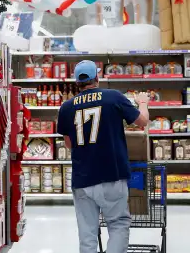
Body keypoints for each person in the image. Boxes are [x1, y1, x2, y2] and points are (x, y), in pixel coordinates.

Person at [56, 60, 150, 253]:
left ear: (77, 83)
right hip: (111, 175)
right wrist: (143, 102)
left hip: (82, 179)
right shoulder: (113, 97)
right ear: (97, 78)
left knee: (87, 233)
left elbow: (69, 144)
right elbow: (142, 121)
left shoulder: (66, 107)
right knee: (117, 224)